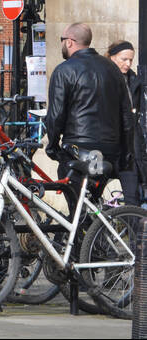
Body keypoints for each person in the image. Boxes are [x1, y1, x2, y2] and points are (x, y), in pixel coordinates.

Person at [47, 23, 136, 204]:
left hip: (79, 149)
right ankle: (95, 229)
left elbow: (56, 115)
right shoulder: (113, 70)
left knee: (75, 204)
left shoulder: (64, 70)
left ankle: (84, 230)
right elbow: (127, 116)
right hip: (110, 149)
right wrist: (126, 152)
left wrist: (53, 146)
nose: (62, 44)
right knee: (91, 201)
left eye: (62, 40)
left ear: (70, 42)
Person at [107, 40, 145, 205]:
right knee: (91, 193)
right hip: (106, 144)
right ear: (112, 57)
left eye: (131, 59)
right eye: (124, 59)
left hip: (129, 148)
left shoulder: (133, 80)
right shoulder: (103, 77)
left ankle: (131, 230)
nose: (128, 64)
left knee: (132, 197)